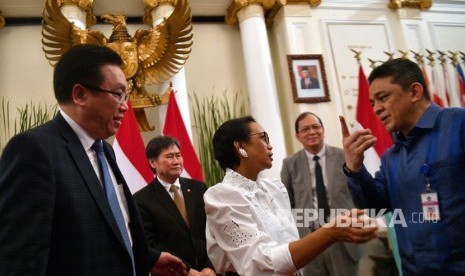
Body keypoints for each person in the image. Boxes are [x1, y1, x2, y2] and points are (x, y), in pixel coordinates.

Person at [0, 44, 186, 276]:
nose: (125, 106)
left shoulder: (104, 150)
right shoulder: (34, 150)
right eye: (118, 94)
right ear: (80, 95)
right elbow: (21, 258)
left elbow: (105, 230)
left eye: (125, 95)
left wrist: (147, 258)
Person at [204, 116, 378, 276]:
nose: (270, 145)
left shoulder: (274, 188)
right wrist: (330, 233)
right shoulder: (222, 195)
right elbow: (258, 264)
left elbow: (289, 241)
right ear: (240, 146)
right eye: (263, 138)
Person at [339, 58, 465, 275]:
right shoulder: (391, 157)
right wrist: (354, 169)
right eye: (372, 103)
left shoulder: (459, 124)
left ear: (414, 92)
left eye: (383, 98)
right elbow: (374, 207)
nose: (377, 109)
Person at [281, 112, 363, 276]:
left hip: (343, 236)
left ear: (323, 130)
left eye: (316, 127)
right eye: (305, 129)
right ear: (298, 136)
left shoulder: (344, 156)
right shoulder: (290, 164)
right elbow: (285, 203)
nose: (311, 132)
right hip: (309, 240)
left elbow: (359, 192)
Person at [134, 135, 216, 276]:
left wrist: (210, 267)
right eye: (170, 156)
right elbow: (151, 243)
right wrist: (188, 270)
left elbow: (215, 229)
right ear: (153, 162)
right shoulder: (141, 199)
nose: (176, 161)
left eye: (178, 156)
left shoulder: (199, 188)